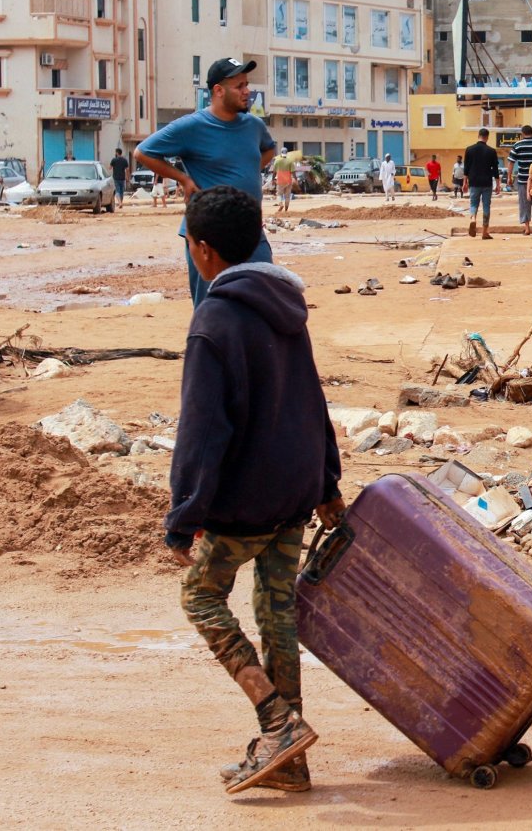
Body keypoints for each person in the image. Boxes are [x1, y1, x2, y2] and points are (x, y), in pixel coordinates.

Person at [163, 185, 345, 793]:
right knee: (276, 615)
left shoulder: (212, 320)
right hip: (294, 489)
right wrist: (326, 482)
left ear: (204, 250)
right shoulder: (285, 304)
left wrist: (184, 515)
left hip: (246, 500)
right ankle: (288, 760)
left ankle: (276, 720)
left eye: (188, 242)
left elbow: (202, 431)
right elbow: (311, 396)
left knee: (201, 598)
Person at [134, 57, 276, 306]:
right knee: (214, 306)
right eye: (239, 86)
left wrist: (246, 173)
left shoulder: (254, 126)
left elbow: (269, 150)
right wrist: (184, 179)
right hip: (209, 236)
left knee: (264, 302)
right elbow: (143, 152)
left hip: (251, 231)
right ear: (218, 91)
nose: (247, 91)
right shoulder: (191, 126)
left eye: (247, 84)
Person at [462, 128, 501, 238]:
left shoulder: (469, 149)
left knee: (474, 204)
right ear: (487, 137)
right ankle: (485, 232)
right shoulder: (491, 151)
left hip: (474, 181)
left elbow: (466, 168)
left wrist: (465, 182)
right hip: (487, 182)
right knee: (486, 206)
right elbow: (495, 169)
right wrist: (498, 184)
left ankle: (473, 218)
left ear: (478, 135)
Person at [508, 124, 532, 235]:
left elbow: (511, 162)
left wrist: (509, 177)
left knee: (524, 204)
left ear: (522, 134)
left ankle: (527, 228)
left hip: (523, 179)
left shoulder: (518, 145)